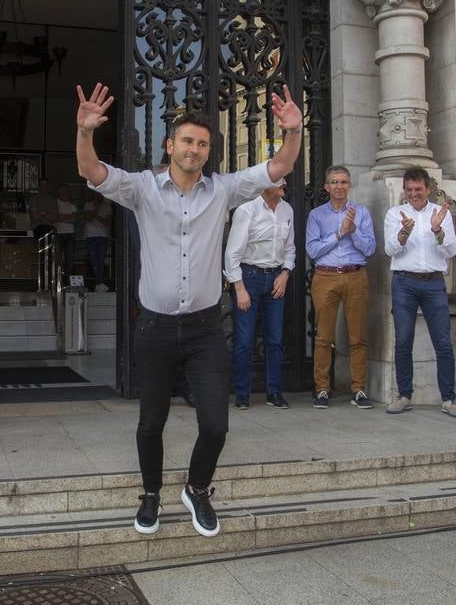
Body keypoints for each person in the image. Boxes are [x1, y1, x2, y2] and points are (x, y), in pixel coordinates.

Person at [76, 81, 302, 539]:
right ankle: (150, 494)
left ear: (208, 151)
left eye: (202, 143)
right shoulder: (142, 189)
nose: (195, 149)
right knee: (151, 422)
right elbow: (94, 172)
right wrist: (85, 133)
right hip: (155, 328)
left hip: (203, 330)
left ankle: (197, 488)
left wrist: (293, 132)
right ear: (169, 145)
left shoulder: (223, 190)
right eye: (187, 141)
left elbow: (279, 166)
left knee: (216, 423)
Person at [384, 167, 456, 416]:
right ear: (404, 191)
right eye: (409, 190)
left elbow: (451, 251)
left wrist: (438, 229)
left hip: (434, 282)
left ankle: (449, 399)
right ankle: (404, 395)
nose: (413, 194)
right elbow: (390, 250)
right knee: (403, 340)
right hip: (404, 282)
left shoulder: (441, 213)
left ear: (428, 189)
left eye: (418, 189)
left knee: (443, 342)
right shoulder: (395, 213)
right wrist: (404, 232)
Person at [306, 165, 376, 408]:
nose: (338, 187)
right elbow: (312, 250)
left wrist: (353, 230)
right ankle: (322, 388)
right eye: (334, 182)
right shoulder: (316, 215)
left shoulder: (361, 213)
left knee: (358, 336)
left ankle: (358, 389)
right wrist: (339, 233)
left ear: (350, 185)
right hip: (325, 277)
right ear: (326, 187)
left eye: (343, 182)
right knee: (323, 337)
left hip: (355, 275)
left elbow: (370, 249)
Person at [225, 180, 295, 410]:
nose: (284, 182)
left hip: (276, 278)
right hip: (250, 277)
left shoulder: (287, 210)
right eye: (278, 179)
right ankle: (242, 393)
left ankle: (274, 392)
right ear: (264, 185)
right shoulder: (247, 210)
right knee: (244, 341)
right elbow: (232, 253)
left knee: (274, 340)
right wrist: (240, 288)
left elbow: (290, 248)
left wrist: (285, 273)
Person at [84, 191, 112, 291]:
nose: (98, 195)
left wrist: (95, 214)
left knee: (100, 260)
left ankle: (99, 283)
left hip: (103, 236)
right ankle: (99, 283)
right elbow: (88, 219)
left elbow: (107, 222)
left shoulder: (107, 206)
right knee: (94, 261)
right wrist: (96, 209)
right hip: (90, 236)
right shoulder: (88, 205)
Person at [55, 183, 78, 275]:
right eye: (63, 191)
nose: (65, 193)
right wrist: (67, 216)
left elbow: (74, 219)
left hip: (70, 234)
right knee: (57, 257)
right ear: (59, 192)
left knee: (70, 258)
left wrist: (62, 217)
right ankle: (58, 278)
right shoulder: (55, 204)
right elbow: (56, 217)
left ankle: (69, 278)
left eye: (66, 191)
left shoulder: (73, 206)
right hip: (58, 233)